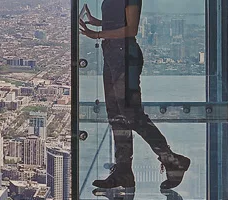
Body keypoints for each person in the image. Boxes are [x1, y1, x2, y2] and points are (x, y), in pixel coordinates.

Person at [79, 0, 191, 190]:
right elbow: (119, 22)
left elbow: (131, 30)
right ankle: (124, 172)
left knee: (132, 115)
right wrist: (97, 22)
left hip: (124, 56)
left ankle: (172, 160)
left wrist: (97, 34)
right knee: (116, 116)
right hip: (112, 54)